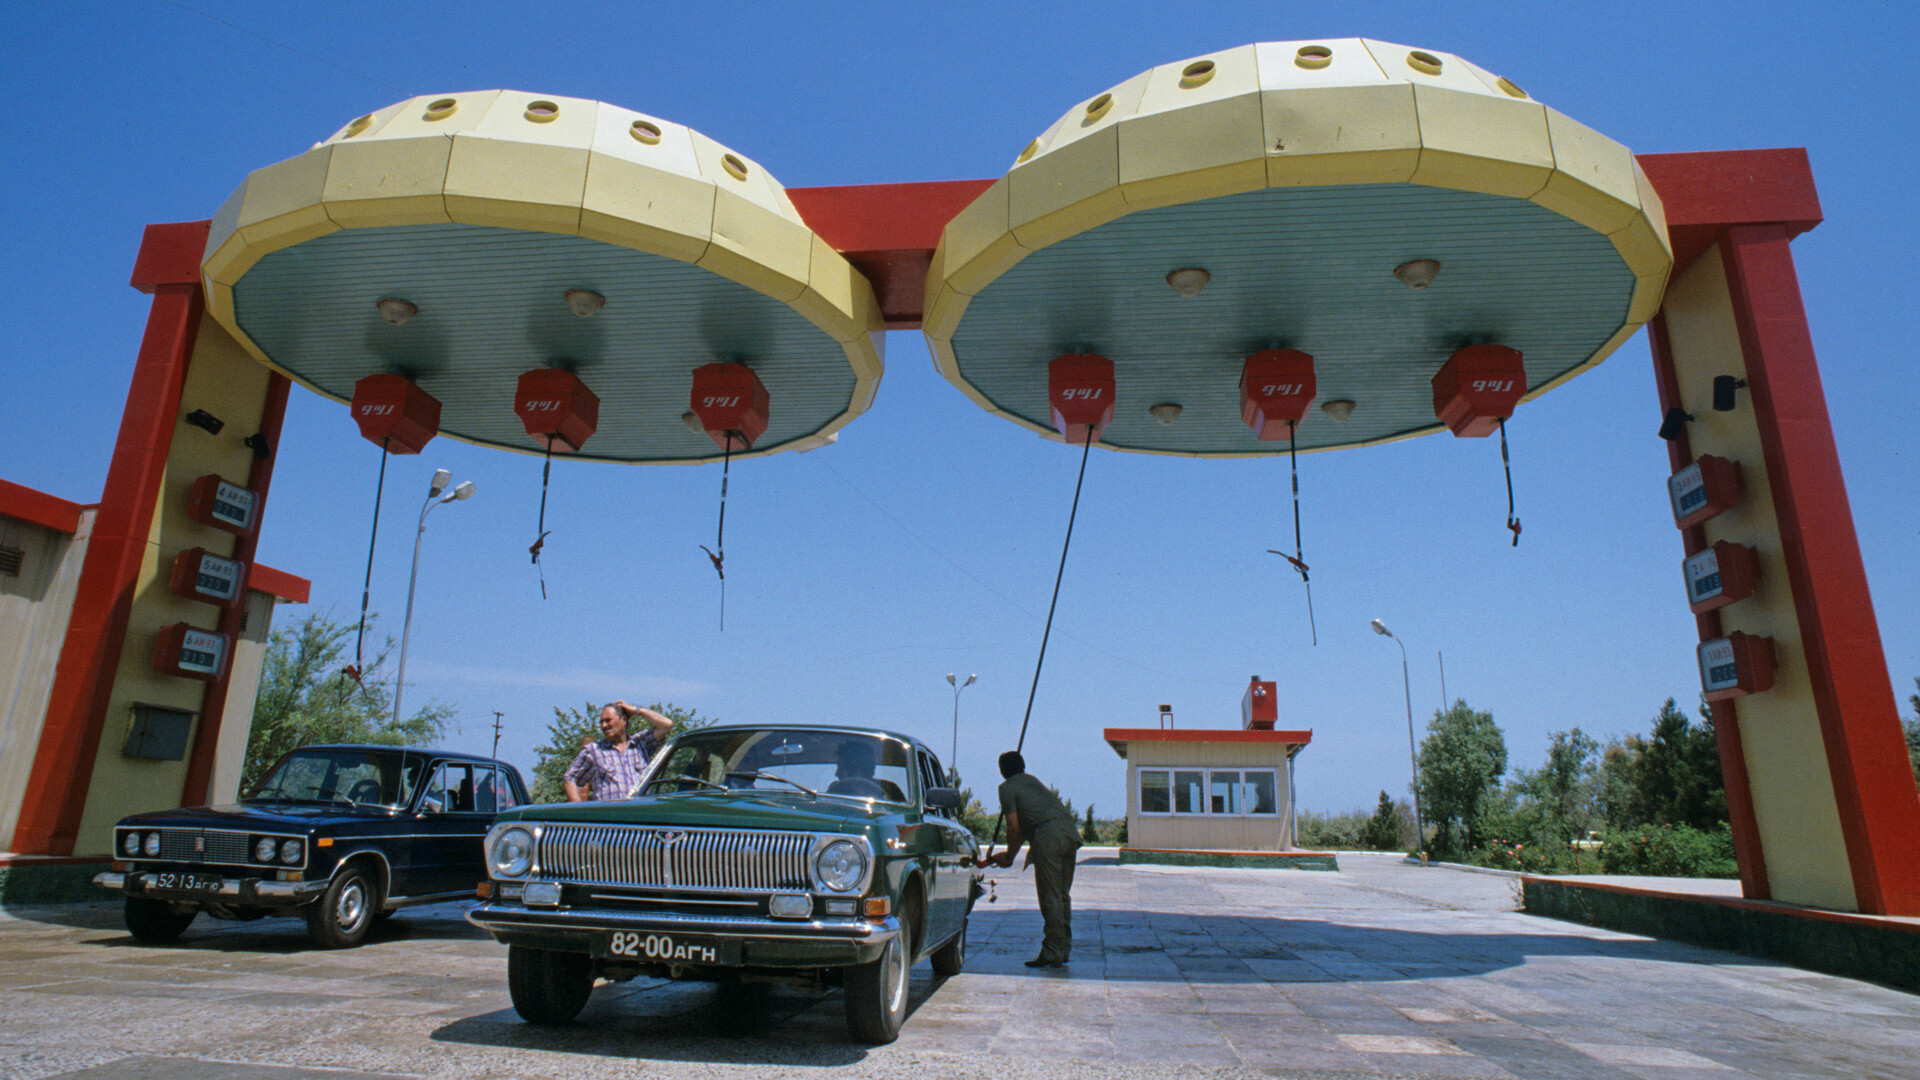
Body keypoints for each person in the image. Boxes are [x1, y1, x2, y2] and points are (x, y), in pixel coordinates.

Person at [977, 749, 1081, 968]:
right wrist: (1008, 854)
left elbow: (1014, 829)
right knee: (1062, 895)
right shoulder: (1032, 782)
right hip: (1070, 833)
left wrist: (1010, 856)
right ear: (1023, 766)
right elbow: (1022, 827)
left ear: (1002, 770)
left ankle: (1052, 952)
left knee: (1050, 896)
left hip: (1048, 837)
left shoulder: (1006, 788)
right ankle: (1062, 950)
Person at [563, 701, 673, 802]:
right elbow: (569, 778)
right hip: (608, 818)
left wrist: (637, 710)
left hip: (641, 816)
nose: (603, 726)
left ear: (624, 720)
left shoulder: (641, 744)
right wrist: (579, 810)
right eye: (601, 722)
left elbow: (666, 725)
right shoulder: (594, 750)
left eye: (608, 720)